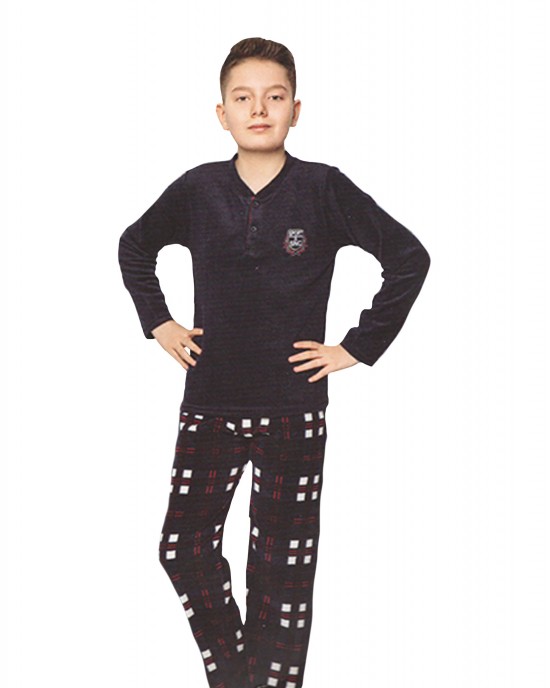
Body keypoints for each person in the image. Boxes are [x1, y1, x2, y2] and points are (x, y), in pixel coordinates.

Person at [118, 36, 430, 688]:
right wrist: (159, 321)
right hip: (210, 403)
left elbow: (409, 258)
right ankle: (237, 678)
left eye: (274, 97)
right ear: (222, 113)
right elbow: (134, 245)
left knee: (282, 574)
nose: (259, 109)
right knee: (182, 548)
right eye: (243, 98)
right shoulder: (198, 188)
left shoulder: (324, 188)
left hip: (294, 410)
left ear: (296, 109)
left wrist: (356, 346)